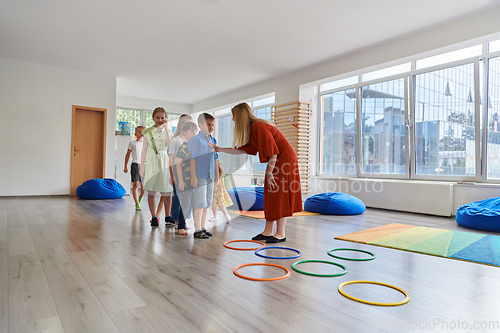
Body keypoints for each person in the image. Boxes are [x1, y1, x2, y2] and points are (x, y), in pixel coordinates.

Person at [212, 102, 302, 243]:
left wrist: (269, 173)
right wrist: (220, 149)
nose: (232, 119)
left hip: (284, 159)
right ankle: (268, 231)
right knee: (271, 193)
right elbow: (242, 149)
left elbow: (273, 153)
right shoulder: (252, 130)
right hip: (279, 158)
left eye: (234, 116)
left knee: (278, 194)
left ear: (240, 116)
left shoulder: (258, 127)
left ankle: (280, 233)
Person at [140, 107, 173, 227]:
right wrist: (142, 166)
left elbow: (169, 146)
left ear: (166, 119)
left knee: (167, 190)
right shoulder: (147, 131)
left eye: (163, 118)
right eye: (157, 117)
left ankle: (167, 216)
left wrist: (167, 130)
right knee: (151, 190)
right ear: (153, 117)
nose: (160, 120)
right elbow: (144, 149)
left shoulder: (168, 130)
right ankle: (154, 216)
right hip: (152, 161)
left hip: (164, 160)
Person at [187, 113, 219, 239]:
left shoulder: (213, 140)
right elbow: (192, 159)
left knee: (207, 204)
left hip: (210, 176)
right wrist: (193, 177)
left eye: (212, 125)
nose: (211, 127)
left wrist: (216, 177)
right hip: (200, 176)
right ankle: (197, 229)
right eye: (208, 124)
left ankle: (203, 227)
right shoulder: (195, 140)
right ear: (200, 125)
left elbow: (216, 159)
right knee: (199, 203)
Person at [169, 114, 193, 228]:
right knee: (178, 197)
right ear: (181, 125)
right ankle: (177, 220)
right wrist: (171, 175)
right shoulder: (175, 140)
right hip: (176, 169)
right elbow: (171, 159)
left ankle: (183, 219)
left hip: (187, 171)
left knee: (187, 197)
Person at [175, 121, 199, 235]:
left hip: (197, 180)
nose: (195, 133)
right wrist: (180, 180)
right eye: (192, 131)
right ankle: (181, 226)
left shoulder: (196, 147)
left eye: (196, 131)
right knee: (186, 203)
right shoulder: (182, 148)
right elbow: (178, 165)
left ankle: (198, 226)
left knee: (197, 204)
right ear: (184, 132)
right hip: (186, 179)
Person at [123, 126, 146, 211]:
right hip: (135, 165)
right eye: (139, 132)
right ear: (135, 133)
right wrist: (125, 166)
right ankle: (137, 203)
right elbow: (127, 155)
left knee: (144, 186)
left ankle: (140, 199)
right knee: (136, 184)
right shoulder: (132, 143)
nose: (141, 134)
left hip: (144, 165)